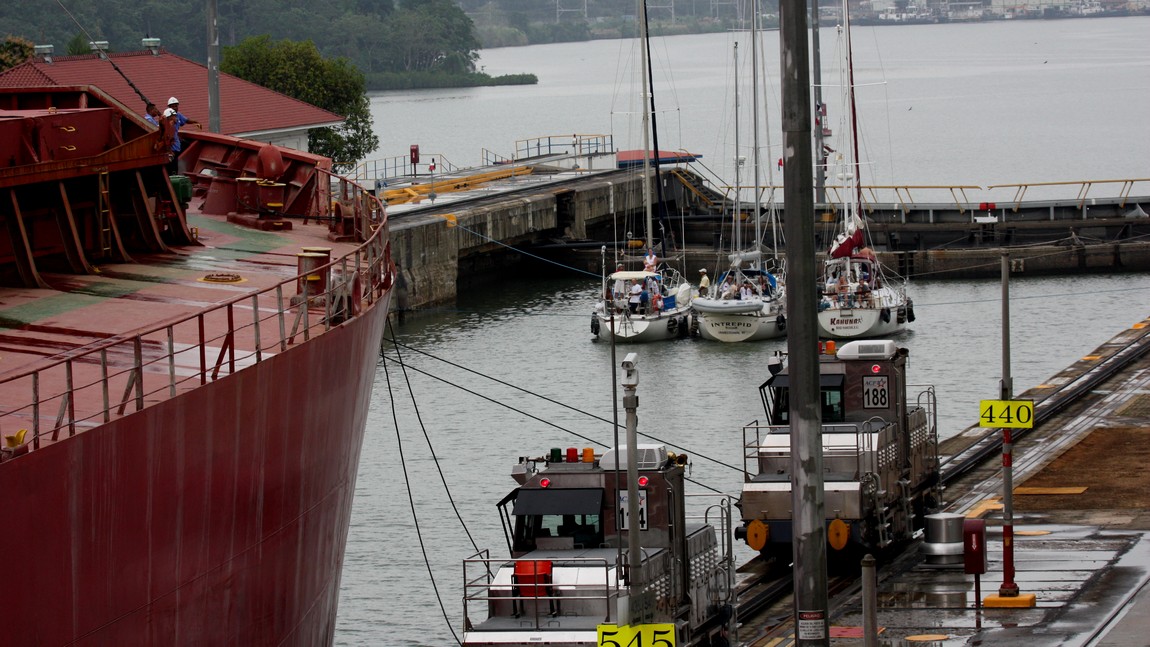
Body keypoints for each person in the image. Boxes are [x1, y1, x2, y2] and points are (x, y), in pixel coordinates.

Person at [165, 97, 201, 172]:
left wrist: (195, 122)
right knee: (172, 168)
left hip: (176, 146)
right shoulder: (167, 124)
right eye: (173, 106)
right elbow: (166, 139)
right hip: (172, 149)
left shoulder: (177, 115)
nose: (175, 108)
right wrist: (169, 151)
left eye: (176, 106)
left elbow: (186, 120)